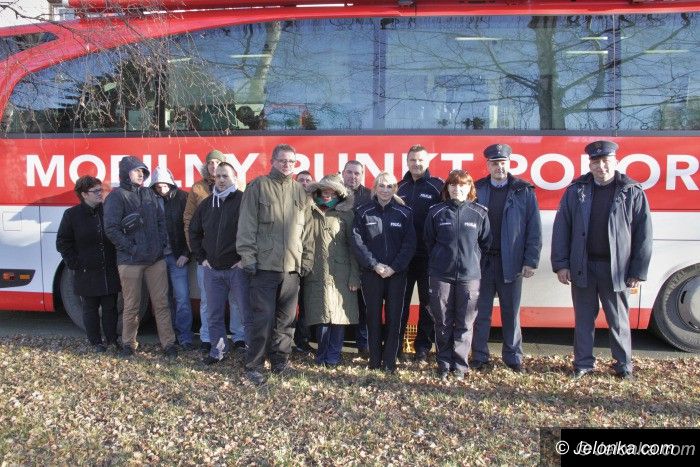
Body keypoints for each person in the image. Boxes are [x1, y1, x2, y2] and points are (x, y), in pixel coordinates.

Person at [552, 140, 652, 380]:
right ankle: (583, 364)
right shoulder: (576, 190)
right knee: (584, 320)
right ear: (590, 164)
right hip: (583, 266)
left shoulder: (631, 191)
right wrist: (561, 264)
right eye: (596, 162)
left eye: (605, 161)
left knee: (618, 320)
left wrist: (637, 271)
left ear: (615, 162)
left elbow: (643, 234)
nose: (601, 166)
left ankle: (623, 366)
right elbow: (562, 227)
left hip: (616, 269)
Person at [237, 144, 314, 385]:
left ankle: (280, 360)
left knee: (286, 320)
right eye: (282, 160)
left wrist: (307, 259)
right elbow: (247, 224)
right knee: (263, 319)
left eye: (291, 161)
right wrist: (248, 257)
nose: (287, 165)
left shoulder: (300, 192)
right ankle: (254, 364)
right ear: (272, 161)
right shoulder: (258, 187)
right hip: (264, 266)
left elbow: (307, 231)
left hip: (291, 268)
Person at [471, 144, 542, 372]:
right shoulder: (478, 189)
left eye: (502, 163)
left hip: (511, 262)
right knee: (481, 313)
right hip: (483, 262)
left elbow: (533, 228)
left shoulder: (523, 190)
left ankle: (513, 358)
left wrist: (531, 260)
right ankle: (479, 356)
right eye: (494, 163)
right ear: (488, 165)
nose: (499, 167)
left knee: (511, 313)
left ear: (509, 163)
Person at [104, 156, 177, 357]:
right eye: (136, 171)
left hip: (155, 260)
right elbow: (111, 229)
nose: (141, 174)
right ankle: (128, 344)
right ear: (125, 173)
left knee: (162, 304)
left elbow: (161, 221)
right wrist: (132, 249)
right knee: (131, 305)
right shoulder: (116, 197)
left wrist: (161, 244)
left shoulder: (148, 193)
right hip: (130, 261)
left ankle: (168, 344)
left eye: (143, 171)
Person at [424, 170, 490, 379]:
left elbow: (485, 243)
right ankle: (444, 364)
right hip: (441, 275)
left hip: (469, 277)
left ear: (469, 188)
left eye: (462, 185)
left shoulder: (479, 213)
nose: (457, 189)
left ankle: (460, 367)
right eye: (452, 185)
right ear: (447, 188)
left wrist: (471, 262)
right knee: (442, 322)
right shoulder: (436, 212)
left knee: (465, 323)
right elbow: (429, 241)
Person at [352, 172, 416, 373]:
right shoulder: (363, 212)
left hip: (396, 274)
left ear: (395, 189)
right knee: (372, 317)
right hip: (372, 274)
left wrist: (394, 267)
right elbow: (357, 242)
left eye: (389, 186)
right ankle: (374, 361)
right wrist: (374, 265)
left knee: (394, 318)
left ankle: (389, 362)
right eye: (381, 185)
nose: (385, 190)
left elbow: (409, 244)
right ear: (375, 188)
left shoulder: (404, 213)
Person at [183, 149, 246, 353]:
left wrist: (244, 259)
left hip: (236, 268)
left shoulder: (244, 201)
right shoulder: (206, 204)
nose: (221, 179)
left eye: (225, 176)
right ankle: (218, 351)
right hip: (212, 269)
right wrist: (201, 258)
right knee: (213, 313)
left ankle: (246, 346)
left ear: (234, 177)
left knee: (243, 309)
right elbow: (194, 231)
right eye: (218, 176)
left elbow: (254, 232)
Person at [56, 176, 120, 352]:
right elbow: (63, 242)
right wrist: (75, 263)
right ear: (84, 194)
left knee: (110, 307)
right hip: (86, 271)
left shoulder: (107, 211)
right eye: (96, 191)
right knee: (90, 308)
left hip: (108, 269)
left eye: (101, 190)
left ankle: (112, 340)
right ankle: (96, 342)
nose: (100, 193)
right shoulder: (72, 215)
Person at [303, 174, 360, 366]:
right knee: (321, 317)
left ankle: (333, 357)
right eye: (324, 191)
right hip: (315, 271)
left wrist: (354, 276)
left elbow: (354, 248)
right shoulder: (309, 212)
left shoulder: (347, 214)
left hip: (341, 274)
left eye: (332, 192)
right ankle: (321, 356)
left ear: (338, 194)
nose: (327, 195)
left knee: (338, 316)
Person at [397, 144, 443, 362]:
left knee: (428, 305)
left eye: (420, 160)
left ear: (428, 162)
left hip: (428, 258)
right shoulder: (399, 187)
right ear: (407, 162)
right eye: (412, 160)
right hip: (404, 259)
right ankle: (396, 345)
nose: (416, 164)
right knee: (400, 304)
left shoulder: (437, 187)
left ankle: (423, 348)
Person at [150, 167, 194, 351]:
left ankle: (185, 337)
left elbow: (190, 227)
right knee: (163, 300)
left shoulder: (183, 198)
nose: (162, 189)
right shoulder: (149, 200)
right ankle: (169, 337)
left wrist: (186, 253)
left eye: (165, 185)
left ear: (171, 183)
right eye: (158, 186)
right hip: (158, 258)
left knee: (182, 298)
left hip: (177, 257)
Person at [341, 160, 372, 357]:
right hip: (338, 255)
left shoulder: (370, 196)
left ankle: (364, 344)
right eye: (349, 172)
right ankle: (335, 342)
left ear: (362, 175)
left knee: (363, 303)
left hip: (362, 256)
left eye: (357, 173)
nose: (353, 176)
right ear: (343, 173)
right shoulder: (333, 194)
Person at [293, 169, 315, 353]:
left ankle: (302, 340)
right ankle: (284, 341)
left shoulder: (318, 203)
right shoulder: (290, 201)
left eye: (308, 180)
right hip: (291, 261)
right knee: (288, 305)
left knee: (307, 305)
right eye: (301, 180)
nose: (305, 183)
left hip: (310, 261)